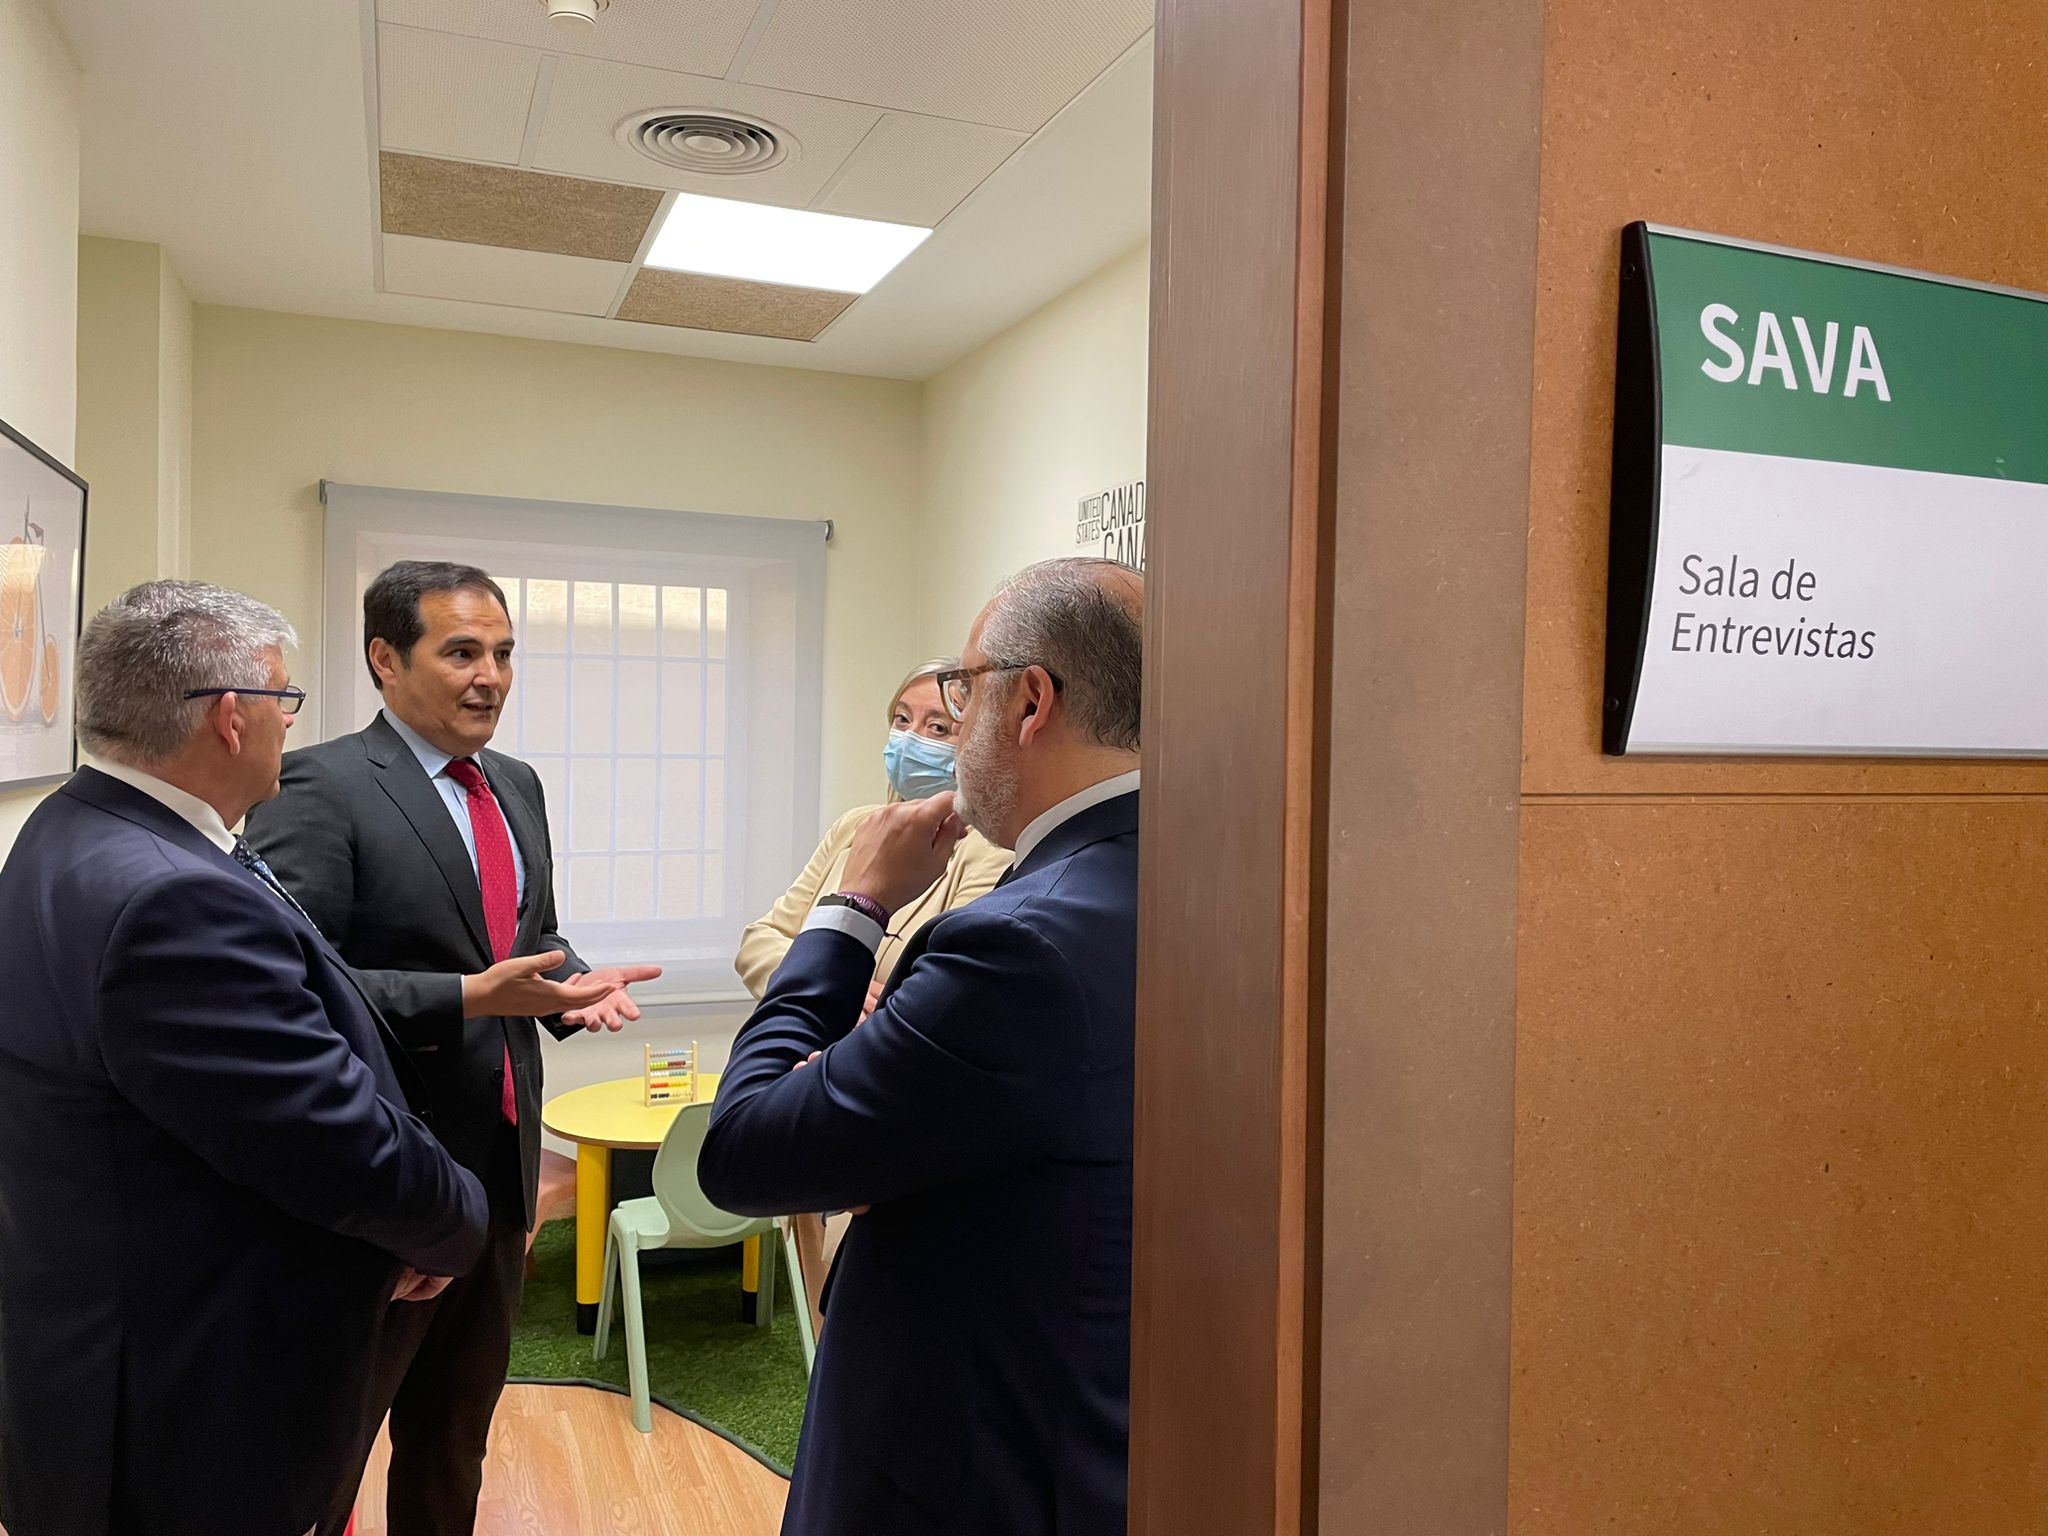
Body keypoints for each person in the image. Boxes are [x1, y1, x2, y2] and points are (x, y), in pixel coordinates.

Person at [0, 581, 488, 1536]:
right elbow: (328, 1137)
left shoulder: (66, 828)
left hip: (93, 1348)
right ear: (232, 717)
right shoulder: (170, 899)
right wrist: (453, 1225)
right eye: (284, 698)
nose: (289, 722)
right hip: (191, 1404)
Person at [701, 557, 1143, 1536]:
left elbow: (742, 1150)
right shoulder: (1180, 872)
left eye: (960, 691)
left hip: (964, 1465)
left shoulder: (1021, 940)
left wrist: (854, 907)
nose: (939, 725)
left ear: (1029, 702)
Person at [245, 560, 659, 1536]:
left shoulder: (515, 784)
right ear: (385, 659)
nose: (491, 678)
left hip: (500, 1177)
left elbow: (528, 937)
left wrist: (571, 989)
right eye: (462, 652)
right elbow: (295, 984)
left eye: (504, 654)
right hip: (384, 1182)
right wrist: (469, 998)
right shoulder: (320, 784)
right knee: (327, 1457)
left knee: (452, 1441)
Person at [735, 658, 1014, 1326]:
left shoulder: (990, 848)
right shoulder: (857, 826)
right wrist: (839, 980)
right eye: (902, 720)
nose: (911, 740)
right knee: (818, 1299)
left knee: (869, 1303)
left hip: (884, 1100)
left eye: (938, 727)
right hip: (808, 1080)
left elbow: (936, 989)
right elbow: (760, 940)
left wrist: (823, 967)